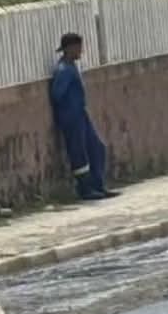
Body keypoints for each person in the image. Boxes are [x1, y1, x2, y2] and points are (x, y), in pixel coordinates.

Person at [50, 33, 118, 202]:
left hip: (81, 114)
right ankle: (85, 189)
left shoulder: (71, 66)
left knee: (97, 148)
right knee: (78, 152)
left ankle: (98, 185)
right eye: (78, 48)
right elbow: (57, 94)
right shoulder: (63, 70)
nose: (81, 51)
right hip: (71, 117)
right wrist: (69, 110)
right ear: (69, 48)